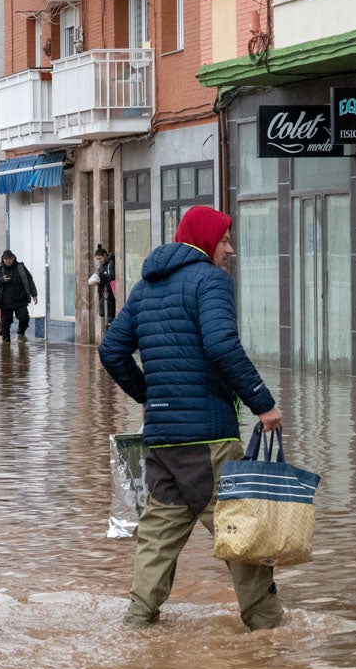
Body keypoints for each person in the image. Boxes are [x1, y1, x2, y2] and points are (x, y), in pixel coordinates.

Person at [98, 206, 284, 631]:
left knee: (157, 540)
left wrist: (152, 395)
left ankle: (137, 624)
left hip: (160, 441)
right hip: (207, 440)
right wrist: (263, 403)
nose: (230, 249)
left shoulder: (145, 287)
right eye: (224, 240)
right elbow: (221, 345)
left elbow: (111, 350)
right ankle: (271, 633)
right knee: (242, 533)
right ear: (204, 241)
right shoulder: (211, 281)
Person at [0, 250, 38, 341]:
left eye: (10, 258)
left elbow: (29, 280)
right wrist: (1, 280)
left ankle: (21, 332)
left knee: (24, 318)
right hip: (5, 302)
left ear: (14, 258)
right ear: (3, 259)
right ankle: (5, 348)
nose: (8, 261)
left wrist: (34, 294)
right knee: (6, 325)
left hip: (20, 300)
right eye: (6, 259)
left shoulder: (21, 267)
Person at [93, 244, 117, 326]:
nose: (99, 261)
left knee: (110, 319)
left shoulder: (111, 265)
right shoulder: (101, 267)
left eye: (100, 258)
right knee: (106, 319)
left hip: (110, 296)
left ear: (105, 256)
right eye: (97, 259)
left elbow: (112, 278)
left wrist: (102, 278)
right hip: (104, 296)